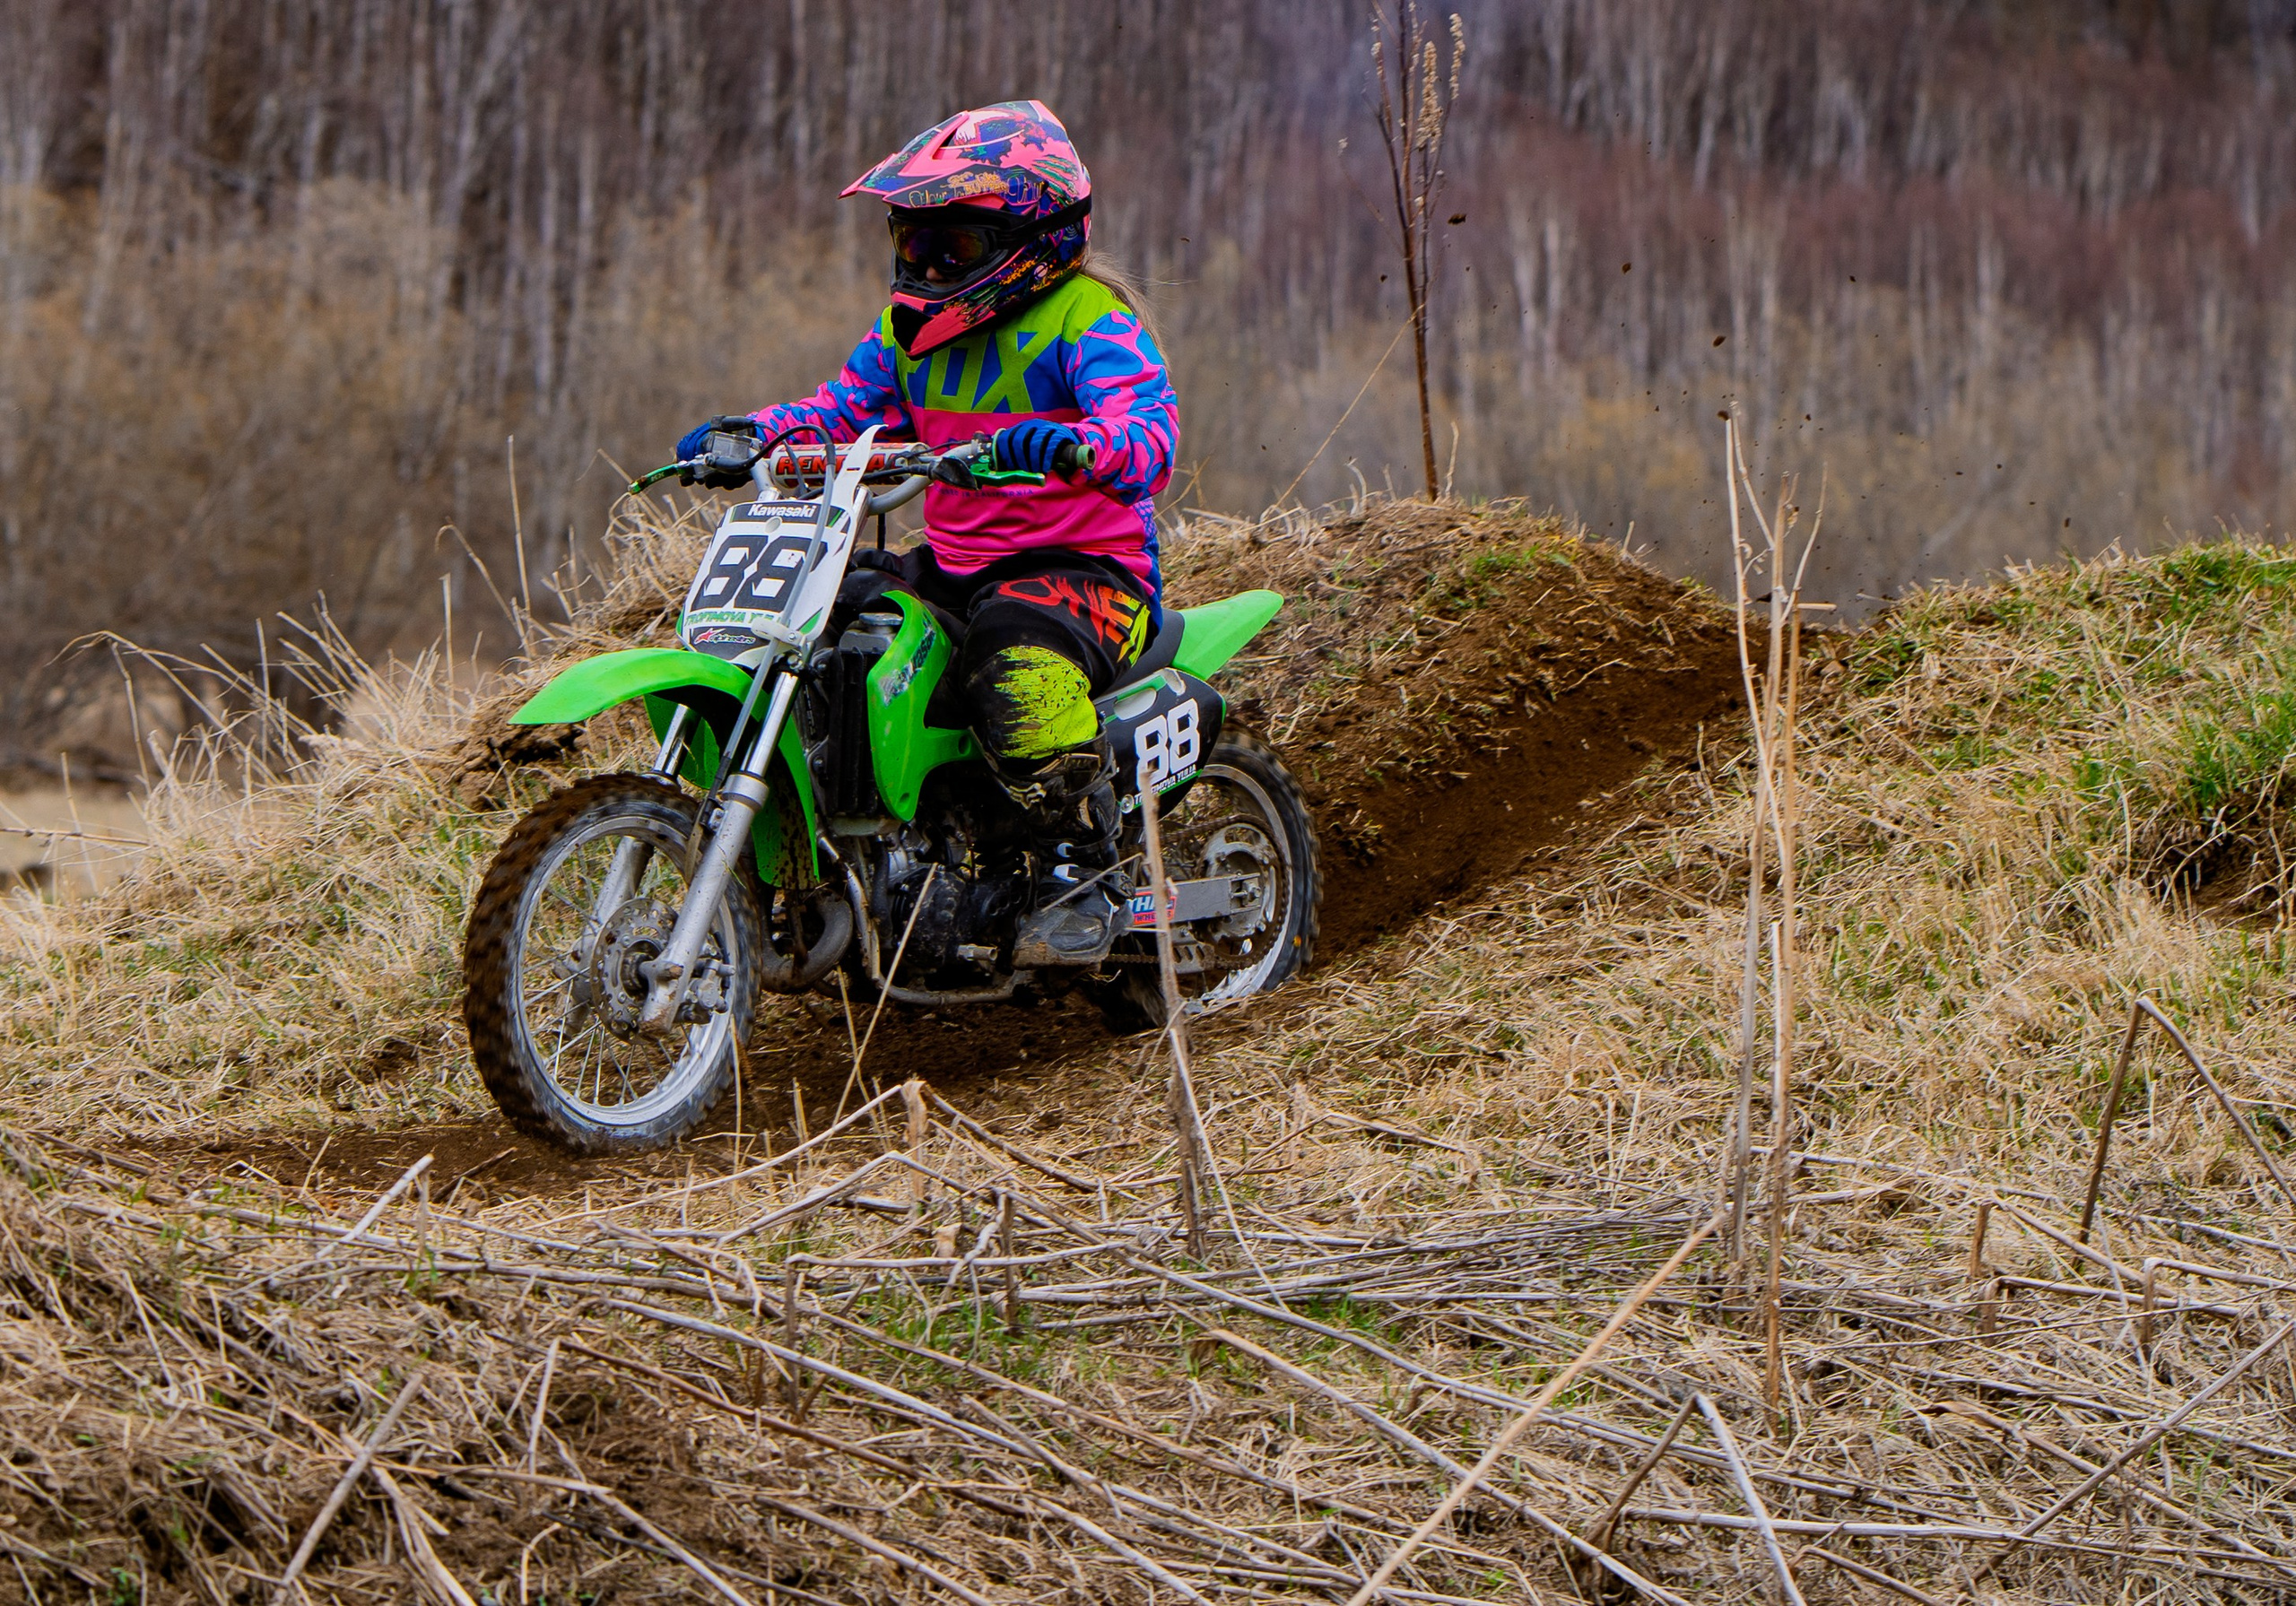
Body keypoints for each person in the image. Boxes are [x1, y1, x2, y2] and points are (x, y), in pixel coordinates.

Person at [672, 100, 1178, 968]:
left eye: (957, 247)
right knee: (840, 617)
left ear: (1038, 234)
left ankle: (1082, 864)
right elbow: (836, 411)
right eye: (916, 244)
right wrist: (754, 433)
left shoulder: (1089, 319)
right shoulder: (908, 331)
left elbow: (1148, 433)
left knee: (1011, 660)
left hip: (1085, 576)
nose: (931, 264)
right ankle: (854, 853)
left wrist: (1076, 443)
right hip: (957, 565)